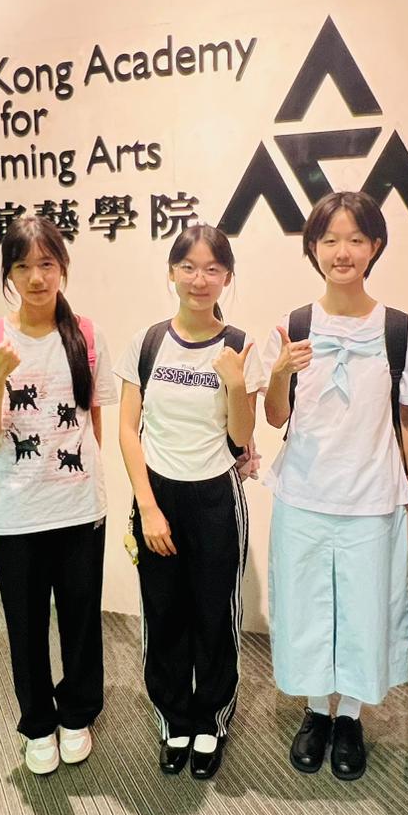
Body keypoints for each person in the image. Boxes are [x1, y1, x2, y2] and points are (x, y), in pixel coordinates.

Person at [258, 191, 408, 781]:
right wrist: (278, 373)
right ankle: (315, 712)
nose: (343, 251)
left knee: (363, 610)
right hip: (302, 495)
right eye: (329, 239)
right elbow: (275, 417)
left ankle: (350, 716)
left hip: (372, 497)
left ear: (375, 246)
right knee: (305, 605)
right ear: (313, 248)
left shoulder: (398, 330)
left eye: (356, 239)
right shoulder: (294, 326)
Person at [0, 215, 118, 775]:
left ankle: (77, 713)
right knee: (25, 625)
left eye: (47, 264)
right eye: (23, 266)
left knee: (81, 619)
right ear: (8, 273)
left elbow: (93, 419)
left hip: (78, 508)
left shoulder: (88, 335)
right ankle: (37, 722)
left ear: (62, 268)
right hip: (15, 512)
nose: (36, 278)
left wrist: (88, 484)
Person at [117, 225, 262, 780]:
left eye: (212, 270)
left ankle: (211, 720)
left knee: (215, 613)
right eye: (188, 267)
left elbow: (241, 436)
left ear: (227, 277)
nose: (199, 280)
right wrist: (149, 507)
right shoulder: (147, 342)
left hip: (216, 496)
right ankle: (174, 717)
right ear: (172, 272)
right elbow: (128, 431)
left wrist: (236, 384)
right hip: (158, 494)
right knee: (163, 610)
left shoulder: (238, 345)